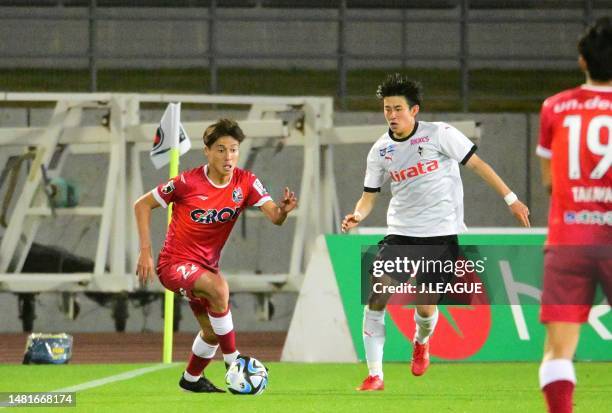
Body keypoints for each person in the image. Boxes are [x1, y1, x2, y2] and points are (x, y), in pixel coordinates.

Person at [342, 73, 531, 391]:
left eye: (397, 108)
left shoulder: (440, 134)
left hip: (441, 235)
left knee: (426, 306)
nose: (391, 115)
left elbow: (479, 165)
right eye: (387, 109)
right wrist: (357, 214)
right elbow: (370, 195)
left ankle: (421, 341)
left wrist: (511, 199)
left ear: (414, 110)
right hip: (400, 233)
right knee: (377, 296)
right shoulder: (380, 151)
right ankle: (376, 374)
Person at [134, 118, 298, 392]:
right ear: (207, 151)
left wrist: (283, 211)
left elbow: (275, 217)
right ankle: (234, 362)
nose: (228, 156)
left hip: (205, 267)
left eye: (233, 149)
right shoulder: (187, 182)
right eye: (221, 149)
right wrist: (145, 252)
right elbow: (142, 205)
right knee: (219, 288)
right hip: (174, 265)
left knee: (211, 333)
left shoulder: (246, 182)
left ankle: (191, 380)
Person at [536, 17, 612, 413]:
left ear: (582, 60)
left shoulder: (555, 108)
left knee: (559, 352)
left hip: (570, 240)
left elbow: (550, 184)